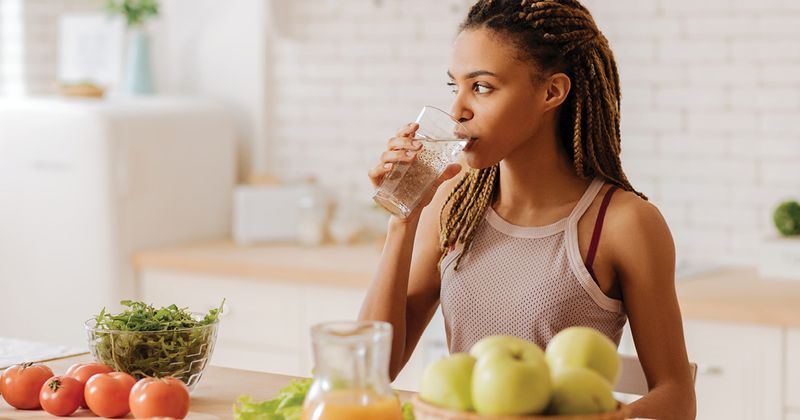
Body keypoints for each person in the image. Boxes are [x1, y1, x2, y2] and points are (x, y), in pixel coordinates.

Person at [360, 0, 696, 418]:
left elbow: (677, 396)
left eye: (481, 87)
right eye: (455, 87)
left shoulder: (622, 223)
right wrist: (402, 218)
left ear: (551, 91)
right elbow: (370, 371)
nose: (459, 110)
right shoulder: (452, 203)